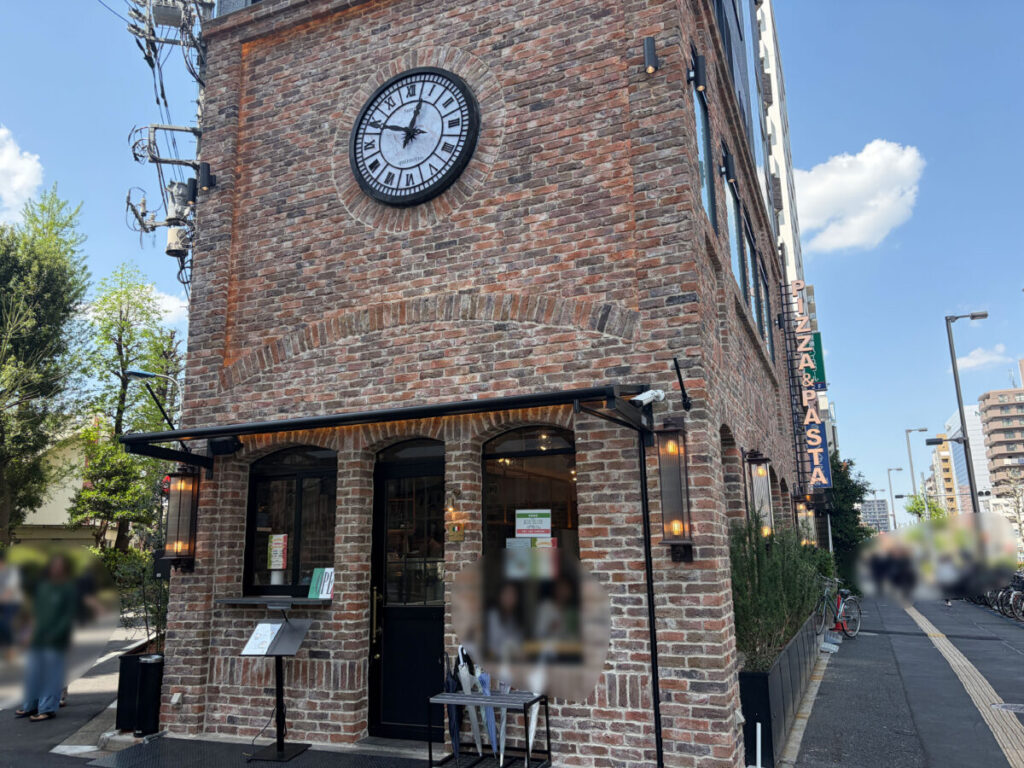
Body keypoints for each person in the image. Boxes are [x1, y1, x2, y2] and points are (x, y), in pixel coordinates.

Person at [15, 554, 77, 721]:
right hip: (38, 636)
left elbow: (68, 616)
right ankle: (30, 705)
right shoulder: (44, 587)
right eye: (54, 565)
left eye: (59, 566)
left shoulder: (68, 589)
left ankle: (47, 708)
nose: (56, 569)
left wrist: (56, 633)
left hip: (56, 638)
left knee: (52, 675)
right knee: (33, 672)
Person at [0, 549, 23, 663]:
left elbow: (10, 589)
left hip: (12, 602)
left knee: (5, 623)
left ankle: (10, 649)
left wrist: (2, 599)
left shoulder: (12, 571)